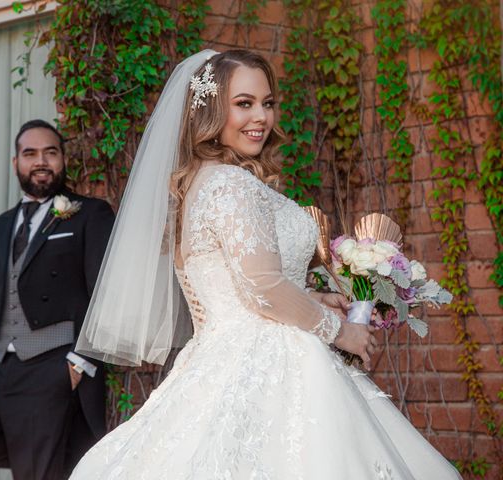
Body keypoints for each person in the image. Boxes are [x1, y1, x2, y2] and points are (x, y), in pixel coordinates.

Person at [68, 50, 462, 479]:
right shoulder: (231, 183)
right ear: (210, 110)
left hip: (220, 357)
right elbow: (263, 287)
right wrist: (342, 331)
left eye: (268, 103)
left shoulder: (203, 181)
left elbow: (237, 282)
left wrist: (315, 296)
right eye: (244, 103)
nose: (261, 116)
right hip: (271, 361)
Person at [0, 119, 115, 480]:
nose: (41, 161)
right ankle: (45, 449)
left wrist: (81, 360)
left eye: (51, 152)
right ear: (15, 162)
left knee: (34, 473)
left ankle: (43, 451)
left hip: (50, 365)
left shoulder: (90, 215)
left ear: (63, 160)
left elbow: (106, 294)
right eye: (30, 154)